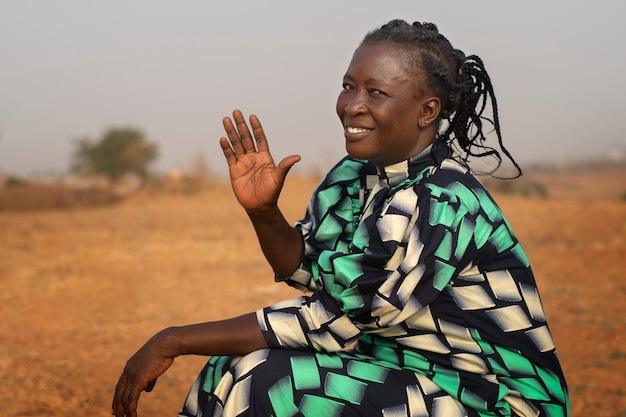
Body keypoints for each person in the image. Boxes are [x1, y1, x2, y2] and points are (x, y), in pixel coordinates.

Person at [112, 19, 569, 417]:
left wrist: (174, 339)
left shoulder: (442, 201)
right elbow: (306, 268)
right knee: (228, 366)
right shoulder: (355, 177)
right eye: (349, 85)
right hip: (408, 372)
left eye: (376, 92)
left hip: (489, 399)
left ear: (427, 111)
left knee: (270, 379)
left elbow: (333, 320)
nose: (352, 105)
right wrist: (264, 213)